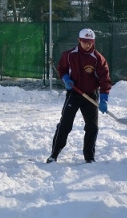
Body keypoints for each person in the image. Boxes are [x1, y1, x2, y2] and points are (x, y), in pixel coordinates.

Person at [46, 28, 112, 164]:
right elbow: (61, 69)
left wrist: (104, 99)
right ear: (79, 40)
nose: (88, 45)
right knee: (65, 124)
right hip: (74, 94)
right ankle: (54, 154)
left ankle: (89, 157)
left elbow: (105, 79)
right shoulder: (69, 55)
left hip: (90, 95)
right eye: (85, 41)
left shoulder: (98, 58)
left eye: (90, 42)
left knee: (92, 127)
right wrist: (65, 79)